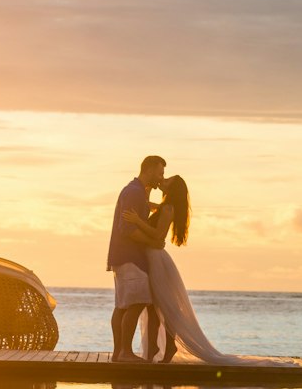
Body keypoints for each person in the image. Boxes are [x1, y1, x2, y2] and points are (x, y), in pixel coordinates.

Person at [123, 175, 287, 365]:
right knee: (153, 308)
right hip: (151, 257)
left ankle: (167, 347)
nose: (163, 180)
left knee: (165, 307)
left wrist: (137, 220)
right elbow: (152, 211)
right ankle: (154, 350)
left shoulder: (168, 208)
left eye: (167, 180)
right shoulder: (164, 206)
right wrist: (145, 198)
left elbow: (159, 234)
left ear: (173, 189)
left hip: (156, 259)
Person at [107, 155, 166, 361]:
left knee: (123, 305)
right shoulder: (133, 192)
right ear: (149, 169)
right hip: (130, 256)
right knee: (137, 302)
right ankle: (125, 352)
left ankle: (118, 353)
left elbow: (136, 209)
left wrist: (151, 205)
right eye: (160, 173)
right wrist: (152, 241)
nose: (161, 178)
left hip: (122, 256)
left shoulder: (135, 191)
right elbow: (127, 228)